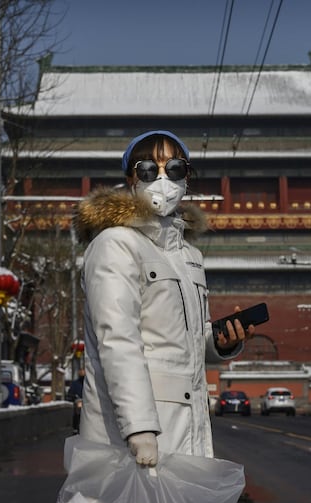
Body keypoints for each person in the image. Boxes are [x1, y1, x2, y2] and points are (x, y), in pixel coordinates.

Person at [72, 130, 254, 467]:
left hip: (188, 426)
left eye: (173, 169)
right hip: (135, 434)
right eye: (146, 170)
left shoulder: (188, 256)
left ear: (187, 178)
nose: (161, 179)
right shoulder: (116, 244)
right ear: (131, 179)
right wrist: (140, 430)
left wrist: (220, 343)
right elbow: (118, 340)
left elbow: (185, 344)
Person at [66, 367, 85, 432]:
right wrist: (72, 396)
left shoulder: (88, 384)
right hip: (79, 401)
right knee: (77, 412)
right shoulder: (75, 383)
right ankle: (75, 426)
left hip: (88, 401)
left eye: (83, 371)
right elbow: (71, 392)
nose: (82, 373)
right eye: (81, 371)